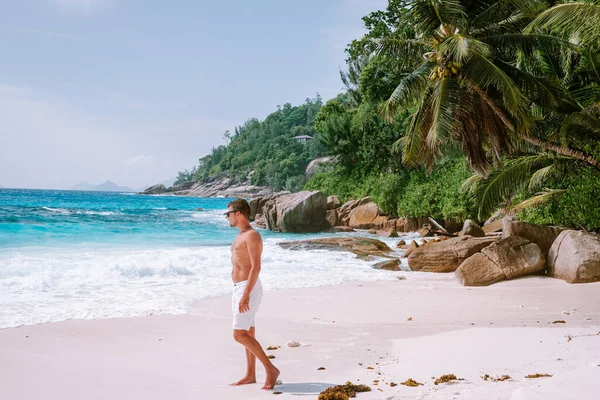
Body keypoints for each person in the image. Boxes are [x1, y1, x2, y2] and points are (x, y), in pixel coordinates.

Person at [225, 198, 280, 390]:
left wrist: (246, 294)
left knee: (239, 334)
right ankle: (250, 375)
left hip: (248, 288)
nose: (227, 218)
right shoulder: (240, 235)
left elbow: (256, 267)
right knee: (248, 332)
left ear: (238, 214)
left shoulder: (252, 235)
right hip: (239, 288)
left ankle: (270, 369)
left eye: (229, 214)